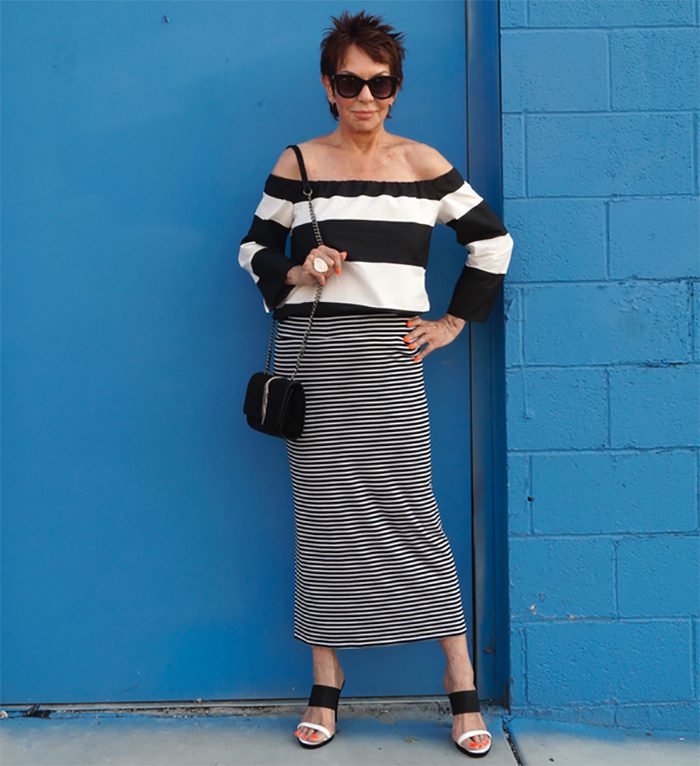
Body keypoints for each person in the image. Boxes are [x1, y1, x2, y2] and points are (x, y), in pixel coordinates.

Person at [238, 9, 513, 759]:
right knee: (324, 514)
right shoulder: (297, 163)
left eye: (380, 82)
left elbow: (491, 242)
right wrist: (295, 269)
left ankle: (461, 683)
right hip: (314, 353)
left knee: (408, 505)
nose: (365, 96)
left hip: (388, 358)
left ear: (396, 88)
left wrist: (455, 322)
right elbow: (252, 246)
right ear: (328, 87)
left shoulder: (423, 165)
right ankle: (326, 686)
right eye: (350, 81)